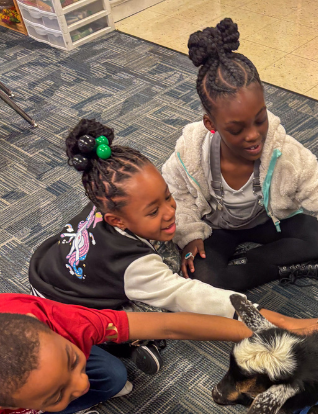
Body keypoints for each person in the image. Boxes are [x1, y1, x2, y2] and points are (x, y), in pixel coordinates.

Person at [162, 19, 318, 292]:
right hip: (217, 228)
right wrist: (189, 234)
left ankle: (248, 266)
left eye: (260, 120)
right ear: (211, 125)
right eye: (236, 129)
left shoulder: (286, 154)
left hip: (267, 222)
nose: (253, 136)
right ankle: (295, 266)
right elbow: (176, 192)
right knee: (201, 277)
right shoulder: (191, 152)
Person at [29, 119, 243, 375]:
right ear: (116, 220)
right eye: (153, 211)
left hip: (49, 274)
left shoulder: (109, 199)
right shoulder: (131, 264)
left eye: (167, 196)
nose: (170, 211)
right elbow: (188, 296)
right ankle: (131, 344)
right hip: (72, 311)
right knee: (157, 300)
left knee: (163, 255)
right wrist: (251, 313)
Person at [0, 293, 256, 414]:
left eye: (71, 360)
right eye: (55, 394)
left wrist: (258, 334)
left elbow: (167, 325)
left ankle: (52, 397)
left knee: (112, 376)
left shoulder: (62, 321)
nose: (82, 386)